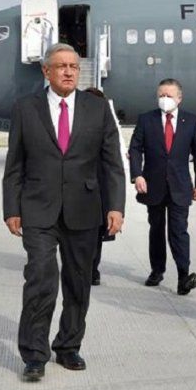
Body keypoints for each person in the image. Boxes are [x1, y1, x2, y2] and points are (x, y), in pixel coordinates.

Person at [2, 43, 125, 382]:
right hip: (38, 209)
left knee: (77, 282)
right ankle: (34, 354)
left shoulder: (97, 109)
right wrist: (11, 208)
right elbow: (15, 164)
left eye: (73, 66)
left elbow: (112, 163)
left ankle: (68, 346)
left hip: (85, 209)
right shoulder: (26, 109)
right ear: (46, 72)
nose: (70, 71)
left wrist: (115, 206)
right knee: (40, 278)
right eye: (61, 66)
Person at [128, 78, 196, 294]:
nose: (164, 99)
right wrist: (137, 175)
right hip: (153, 185)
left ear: (179, 98)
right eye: (161, 95)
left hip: (180, 186)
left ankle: (183, 275)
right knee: (156, 229)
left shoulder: (190, 121)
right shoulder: (146, 119)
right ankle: (157, 270)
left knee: (179, 230)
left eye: (169, 95)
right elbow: (135, 148)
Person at [82, 87, 116, 287]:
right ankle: (87, 269)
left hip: (99, 189)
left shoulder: (106, 128)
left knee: (95, 235)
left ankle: (92, 270)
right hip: (81, 188)